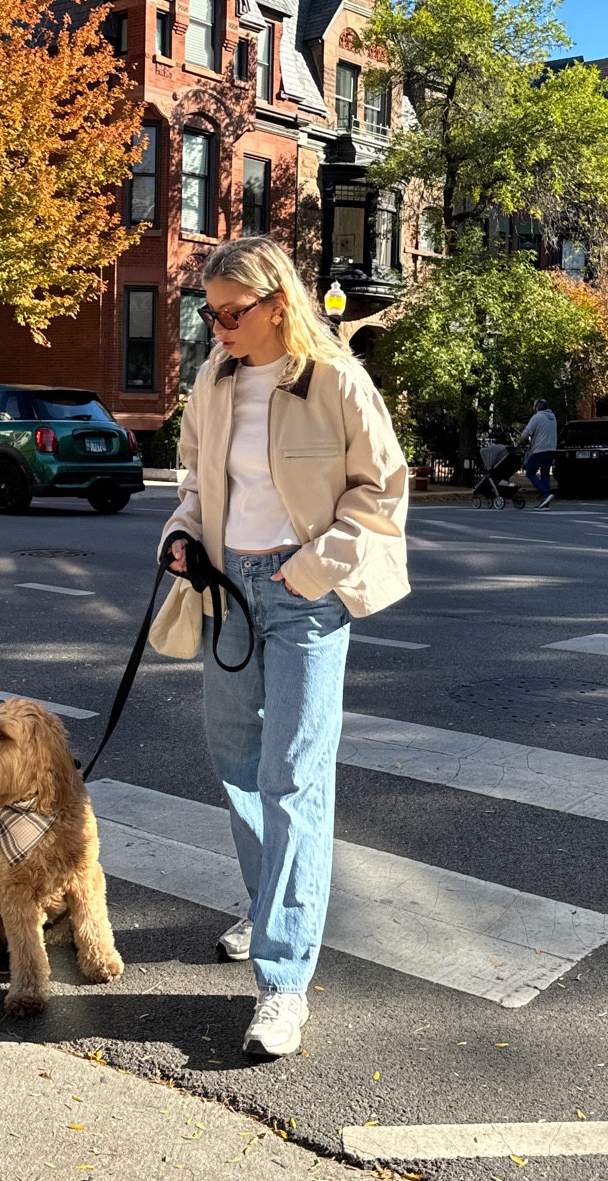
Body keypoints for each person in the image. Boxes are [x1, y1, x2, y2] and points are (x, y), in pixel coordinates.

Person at [160, 237, 409, 1058]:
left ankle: (284, 980)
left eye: (232, 313)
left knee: (294, 775)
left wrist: (313, 571)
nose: (219, 327)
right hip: (227, 591)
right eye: (210, 313)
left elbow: (382, 490)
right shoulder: (215, 380)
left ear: (276, 304)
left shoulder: (334, 378)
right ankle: (273, 901)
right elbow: (195, 482)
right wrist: (182, 537)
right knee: (234, 761)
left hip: (305, 598)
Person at [521, 398, 558, 509]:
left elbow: (527, 432)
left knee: (530, 472)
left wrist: (520, 441)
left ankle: (546, 493)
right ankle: (545, 500)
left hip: (539, 450)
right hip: (551, 449)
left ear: (537, 407)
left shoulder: (537, 417)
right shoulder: (552, 418)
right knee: (545, 475)